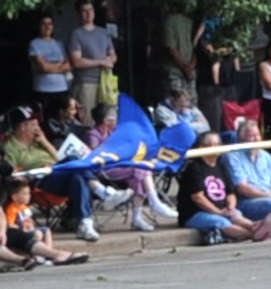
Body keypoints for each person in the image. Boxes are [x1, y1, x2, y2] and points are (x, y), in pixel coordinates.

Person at [4, 110, 116, 242]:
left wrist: (45, 141)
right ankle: (100, 191)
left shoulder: (38, 142)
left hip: (59, 175)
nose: (38, 128)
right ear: (23, 127)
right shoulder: (10, 147)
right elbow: (11, 174)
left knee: (77, 177)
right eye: (34, 124)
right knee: (73, 160)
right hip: (40, 182)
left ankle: (85, 223)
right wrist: (37, 170)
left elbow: (58, 159)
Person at [85, 104, 178, 232]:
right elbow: (94, 153)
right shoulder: (93, 134)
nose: (116, 120)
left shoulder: (114, 131)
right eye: (114, 117)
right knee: (140, 169)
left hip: (121, 166)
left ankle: (137, 218)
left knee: (139, 175)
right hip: (105, 170)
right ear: (107, 120)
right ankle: (154, 202)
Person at [4, 179, 90, 266]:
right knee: (37, 234)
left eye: (29, 193)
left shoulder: (24, 207)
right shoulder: (12, 209)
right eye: (25, 194)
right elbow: (10, 224)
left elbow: (28, 219)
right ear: (15, 197)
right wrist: (21, 229)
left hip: (29, 228)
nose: (29, 196)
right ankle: (37, 257)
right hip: (22, 230)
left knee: (46, 230)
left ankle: (48, 255)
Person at [67, 0, 117, 117]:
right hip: (86, 83)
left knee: (109, 118)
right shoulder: (76, 34)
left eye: (90, 10)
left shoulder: (103, 32)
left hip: (106, 81)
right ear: (79, 14)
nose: (88, 13)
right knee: (87, 119)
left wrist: (110, 61)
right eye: (84, 11)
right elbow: (77, 61)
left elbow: (113, 55)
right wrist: (101, 62)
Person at [28, 13, 72, 114]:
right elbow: (43, 67)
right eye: (44, 24)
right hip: (43, 89)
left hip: (62, 88)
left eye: (50, 24)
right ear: (38, 26)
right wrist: (59, 65)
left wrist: (50, 65)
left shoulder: (59, 44)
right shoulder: (34, 44)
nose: (47, 27)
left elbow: (69, 66)